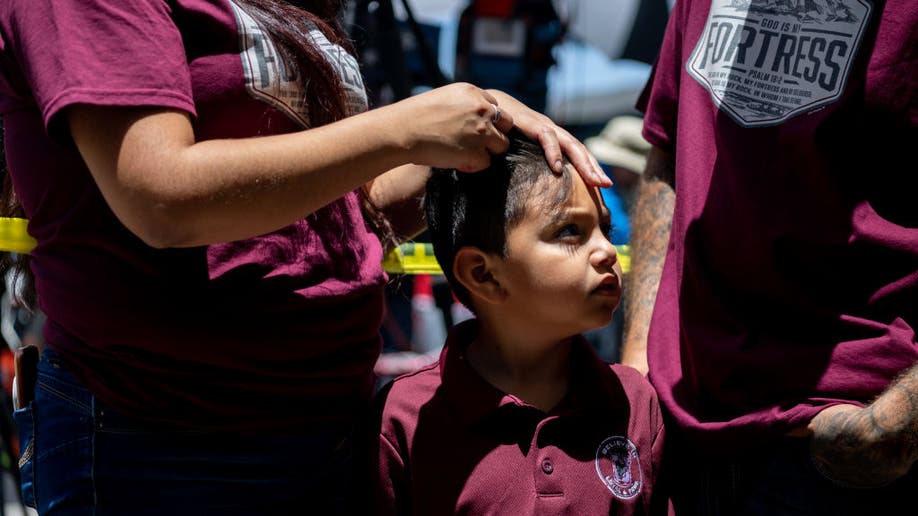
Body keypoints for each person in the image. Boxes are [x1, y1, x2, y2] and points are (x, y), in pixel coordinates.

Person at [0, 0, 609, 513]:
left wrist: (475, 129)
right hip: (165, 434)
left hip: (325, 428)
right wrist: (402, 128)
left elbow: (344, 208)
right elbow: (159, 196)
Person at [622, 0, 918, 514]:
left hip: (852, 445)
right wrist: (639, 363)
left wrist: (899, 420)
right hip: (685, 429)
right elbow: (667, 154)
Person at [369, 131, 668, 515]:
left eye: (605, 231)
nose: (608, 252)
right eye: (570, 231)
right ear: (484, 274)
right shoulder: (405, 419)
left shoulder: (636, 403)